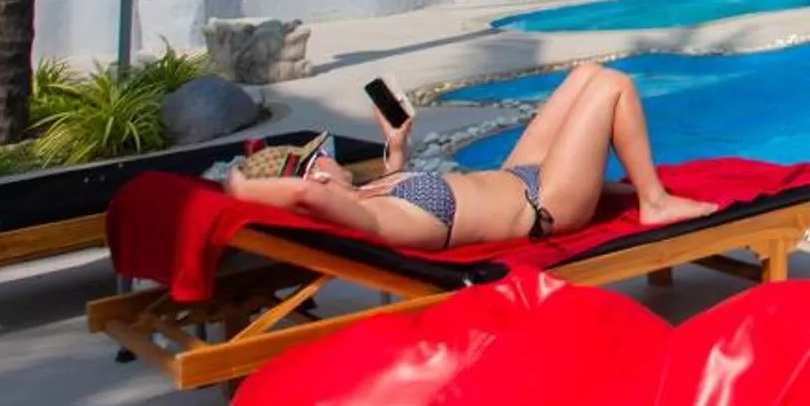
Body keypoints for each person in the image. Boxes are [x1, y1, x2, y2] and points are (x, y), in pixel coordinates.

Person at [226, 62, 717, 250]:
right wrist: (240, 187)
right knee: (614, 87)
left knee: (588, 73)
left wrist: (396, 144)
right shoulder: (362, 214)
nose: (335, 157)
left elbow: (395, 186)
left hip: (515, 176)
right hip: (544, 204)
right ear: (316, 178)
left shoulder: (370, 194)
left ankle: (615, 185)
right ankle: (653, 202)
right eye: (323, 157)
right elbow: (305, 196)